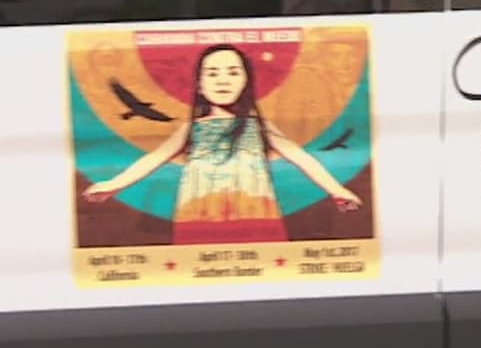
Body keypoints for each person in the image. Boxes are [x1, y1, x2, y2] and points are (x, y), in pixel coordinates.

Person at [82, 44, 361, 245]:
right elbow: (154, 158)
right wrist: (113, 184)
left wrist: (336, 190)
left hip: (253, 209)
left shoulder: (259, 126)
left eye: (232, 72)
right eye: (213, 73)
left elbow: (302, 158)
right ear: (199, 84)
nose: (223, 80)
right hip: (198, 211)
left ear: (246, 81)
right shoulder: (191, 128)